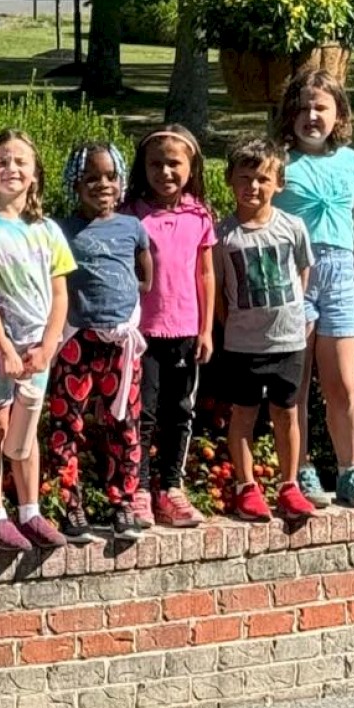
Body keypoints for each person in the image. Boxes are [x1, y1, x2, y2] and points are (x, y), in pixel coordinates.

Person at [279, 70, 354, 508]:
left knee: (341, 381)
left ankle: (350, 471)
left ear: (338, 113)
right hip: (294, 275)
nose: (311, 116)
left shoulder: (353, 163)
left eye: (320, 107)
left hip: (340, 276)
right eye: (302, 108)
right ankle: (300, 470)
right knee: (296, 383)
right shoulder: (279, 162)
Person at [46, 142, 152, 541]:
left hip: (120, 343)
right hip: (76, 340)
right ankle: (68, 501)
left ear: (121, 181)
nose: (102, 184)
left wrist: (124, 305)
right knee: (67, 422)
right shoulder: (62, 230)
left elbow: (145, 276)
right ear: (75, 183)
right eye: (91, 177)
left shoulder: (132, 227)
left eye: (110, 177)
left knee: (123, 423)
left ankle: (121, 503)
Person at [0, 129, 72, 554]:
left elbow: (60, 292)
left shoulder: (47, 229)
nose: (11, 168)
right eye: (2, 161)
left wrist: (48, 345)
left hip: (38, 352)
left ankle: (29, 510)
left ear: (35, 174)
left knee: (27, 427)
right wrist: (6, 349)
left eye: (20, 162)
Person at [213, 134, 317, 523]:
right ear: (230, 180)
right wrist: (232, 328)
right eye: (244, 178)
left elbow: (302, 274)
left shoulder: (292, 227)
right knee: (243, 414)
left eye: (262, 179)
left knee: (286, 412)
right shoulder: (223, 237)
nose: (253, 187)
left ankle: (289, 484)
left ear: (278, 183)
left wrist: (289, 318)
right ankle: (246, 486)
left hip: (288, 340)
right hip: (243, 343)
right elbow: (220, 293)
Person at [127, 123, 215, 529]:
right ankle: (140, 488)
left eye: (174, 164)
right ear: (143, 167)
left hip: (185, 330)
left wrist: (206, 329)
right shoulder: (132, 215)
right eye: (156, 163)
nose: (165, 172)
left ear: (191, 166)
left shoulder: (199, 215)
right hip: (143, 332)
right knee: (141, 412)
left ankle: (171, 487)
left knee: (179, 410)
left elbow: (205, 274)